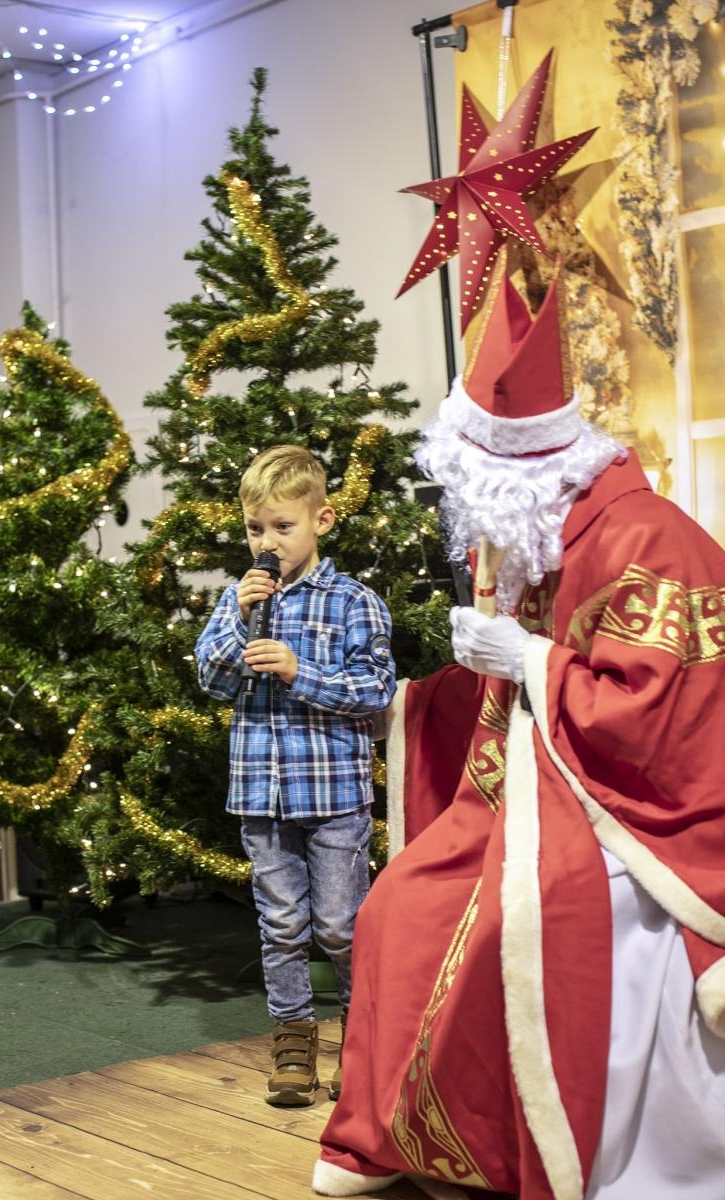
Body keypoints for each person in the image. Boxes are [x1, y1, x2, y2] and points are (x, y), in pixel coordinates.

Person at [312, 254, 725, 1199]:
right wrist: (431, 692)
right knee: (396, 907)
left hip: (632, 810)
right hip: (527, 791)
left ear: (531, 464)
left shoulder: (644, 538)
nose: (470, 512)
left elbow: (659, 715)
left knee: (513, 919)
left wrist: (529, 660)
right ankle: (402, 1137)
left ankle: (516, 1150)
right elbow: (507, 677)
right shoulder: (530, 528)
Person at [194, 444, 396, 1107]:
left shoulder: (352, 602)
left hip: (333, 792)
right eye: (256, 528)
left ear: (322, 521)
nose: (268, 541)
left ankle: (363, 1039)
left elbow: (372, 690)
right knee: (280, 925)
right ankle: (291, 1044)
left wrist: (296, 670)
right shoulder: (239, 599)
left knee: (341, 924)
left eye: (283, 526)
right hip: (262, 791)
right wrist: (242, 622)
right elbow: (211, 678)